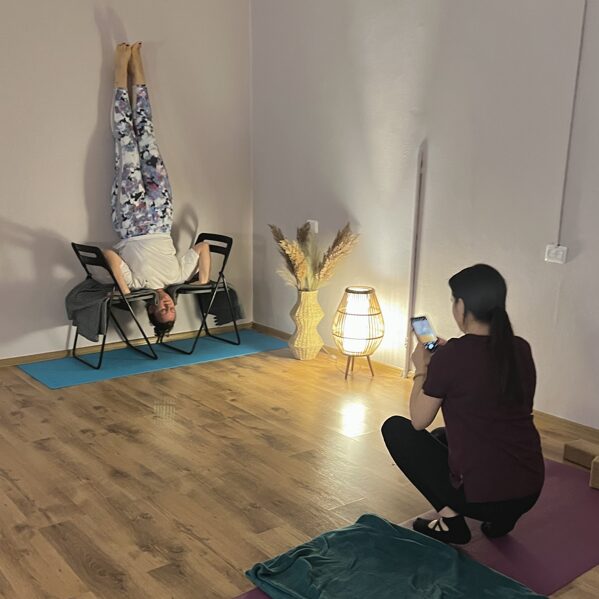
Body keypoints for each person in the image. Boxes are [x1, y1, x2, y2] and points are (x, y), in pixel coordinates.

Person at [381, 264, 544, 544]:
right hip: (530, 489)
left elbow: (418, 420)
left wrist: (422, 369)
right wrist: (447, 359)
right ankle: (503, 520)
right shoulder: (520, 348)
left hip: (482, 499)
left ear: (461, 306)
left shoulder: (453, 357)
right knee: (441, 437)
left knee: (397, 429)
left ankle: (451, 522)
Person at [101, 43, 210, 340]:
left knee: (126, 140)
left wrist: (124, 290)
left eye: (162, 311)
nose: (167, 305)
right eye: (171, 309)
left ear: (151, 310)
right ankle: (137, 66)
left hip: (131, 220)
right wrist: (203, 281)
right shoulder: (178, 276)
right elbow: (203, 247)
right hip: (161, 213)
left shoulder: (137, 284)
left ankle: (120, 71)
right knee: (147, 135)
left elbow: (108, 254)